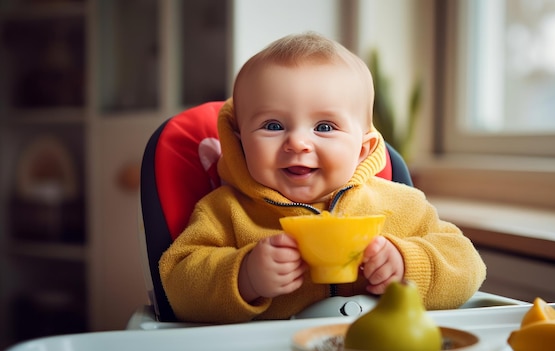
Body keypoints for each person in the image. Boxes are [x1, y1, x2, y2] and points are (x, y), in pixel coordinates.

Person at [159, 32, 486, 323]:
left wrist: (408, 265)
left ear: (362, 149)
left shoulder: (401, 205)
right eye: (273, 126)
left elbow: (468, 266)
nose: (298, 143)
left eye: (324, 127)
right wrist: (245, 276)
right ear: (240, 143)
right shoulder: (224, 211)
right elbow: (177, 286)